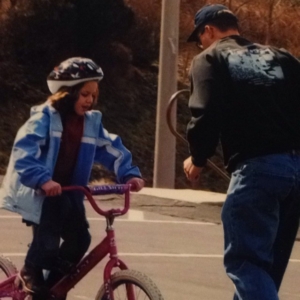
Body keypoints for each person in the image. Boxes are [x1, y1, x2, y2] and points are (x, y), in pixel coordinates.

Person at [0, 57, 144, 297]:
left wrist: (129, 174)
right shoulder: (44, 119)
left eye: (93, 95)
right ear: (67, 94)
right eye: (84, 94)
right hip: (44, 193)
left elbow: (110, 147)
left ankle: (54, 286)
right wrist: (43, 179)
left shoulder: (90, 124)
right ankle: (30, 272)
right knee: (46, 244)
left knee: (80, 239)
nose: (89, 100)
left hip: (71, 192)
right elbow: (24, 152)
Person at [183, 4, 300, 300]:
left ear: (208, 30)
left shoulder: (209, 58)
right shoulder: (282, 56)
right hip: (295, 170)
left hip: (257, 170)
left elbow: (205, 114)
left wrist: (198, 159)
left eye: (199, 37)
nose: (200, 44)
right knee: (265, 270)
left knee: (246, 263)